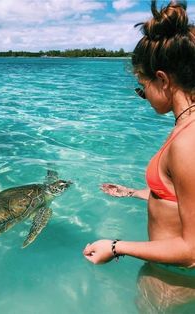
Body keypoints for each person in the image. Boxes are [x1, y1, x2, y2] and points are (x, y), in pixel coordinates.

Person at [83, 0, 195, 270]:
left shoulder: (187, 142)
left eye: (143, 87)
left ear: (163, 80)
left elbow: (191, 251)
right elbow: (179, 197)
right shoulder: (187, 130)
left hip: (173, 281)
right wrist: (135, 192)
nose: (143, 97)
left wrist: (115, 246)